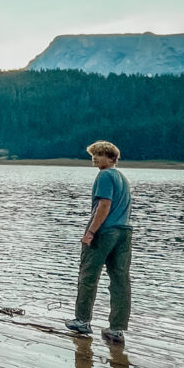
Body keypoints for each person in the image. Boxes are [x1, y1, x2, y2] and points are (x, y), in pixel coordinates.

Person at [65, 140, 133, 342]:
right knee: (120, 280)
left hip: (104, 231)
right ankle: (117, 328)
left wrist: (91, 232)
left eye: (100, 154)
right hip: (124, 231)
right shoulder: (122, 178)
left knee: (88, 275)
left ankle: (83, 321)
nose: (95, 158)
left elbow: (104, 205)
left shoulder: (104, 175)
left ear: (111, 158)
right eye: (93, 154)